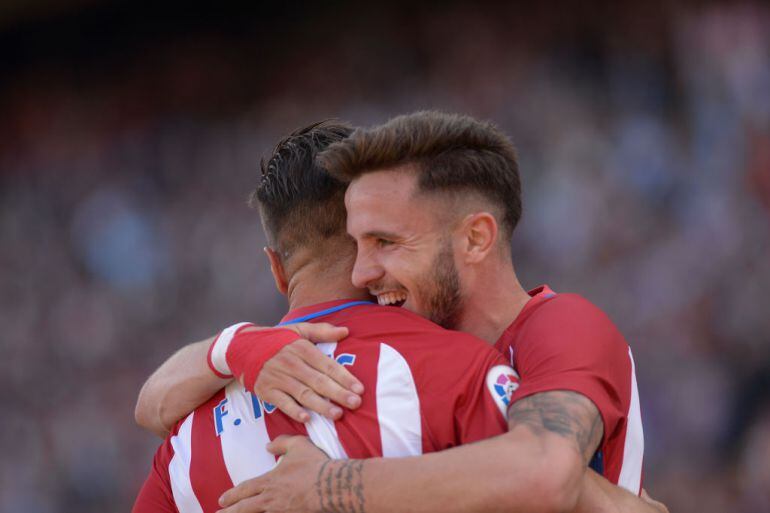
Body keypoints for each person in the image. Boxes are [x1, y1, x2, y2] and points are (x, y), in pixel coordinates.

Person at [206, 111, 658, 513]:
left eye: (386, 242)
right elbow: (155, 403)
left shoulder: (562, 325)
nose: (361, 273)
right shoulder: (413, 372)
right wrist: (224, 348)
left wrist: (326, 486)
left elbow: (542, 474)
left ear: (476, 238)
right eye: (356, 244)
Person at [132, 120, 538, 512]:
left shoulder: (184, 444)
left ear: (275, 269)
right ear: (372, 231)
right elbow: (544, 490)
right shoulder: (460, 365)